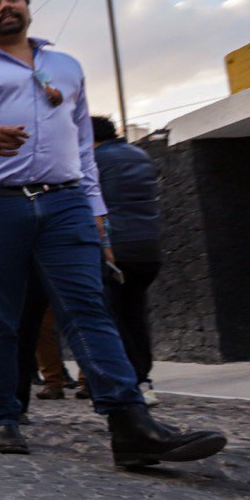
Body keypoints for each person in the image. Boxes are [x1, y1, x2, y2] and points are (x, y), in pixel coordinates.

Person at [0, 0, 225, 466]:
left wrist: (97, 210)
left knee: (87, 309)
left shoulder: (65, 67)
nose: (5, 7)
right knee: (1, 317)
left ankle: (129, 424)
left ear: (27, 8)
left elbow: (83, 148)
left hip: (65, 203)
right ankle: (3, 417)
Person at [92, 115, 162, 405]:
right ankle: (144, 380)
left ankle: (130, 384)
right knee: (136, 313)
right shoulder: (140, 154)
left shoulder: (95, 162)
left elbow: (96, 207)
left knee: (112, 317)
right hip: (148, 245)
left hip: (115, 246)